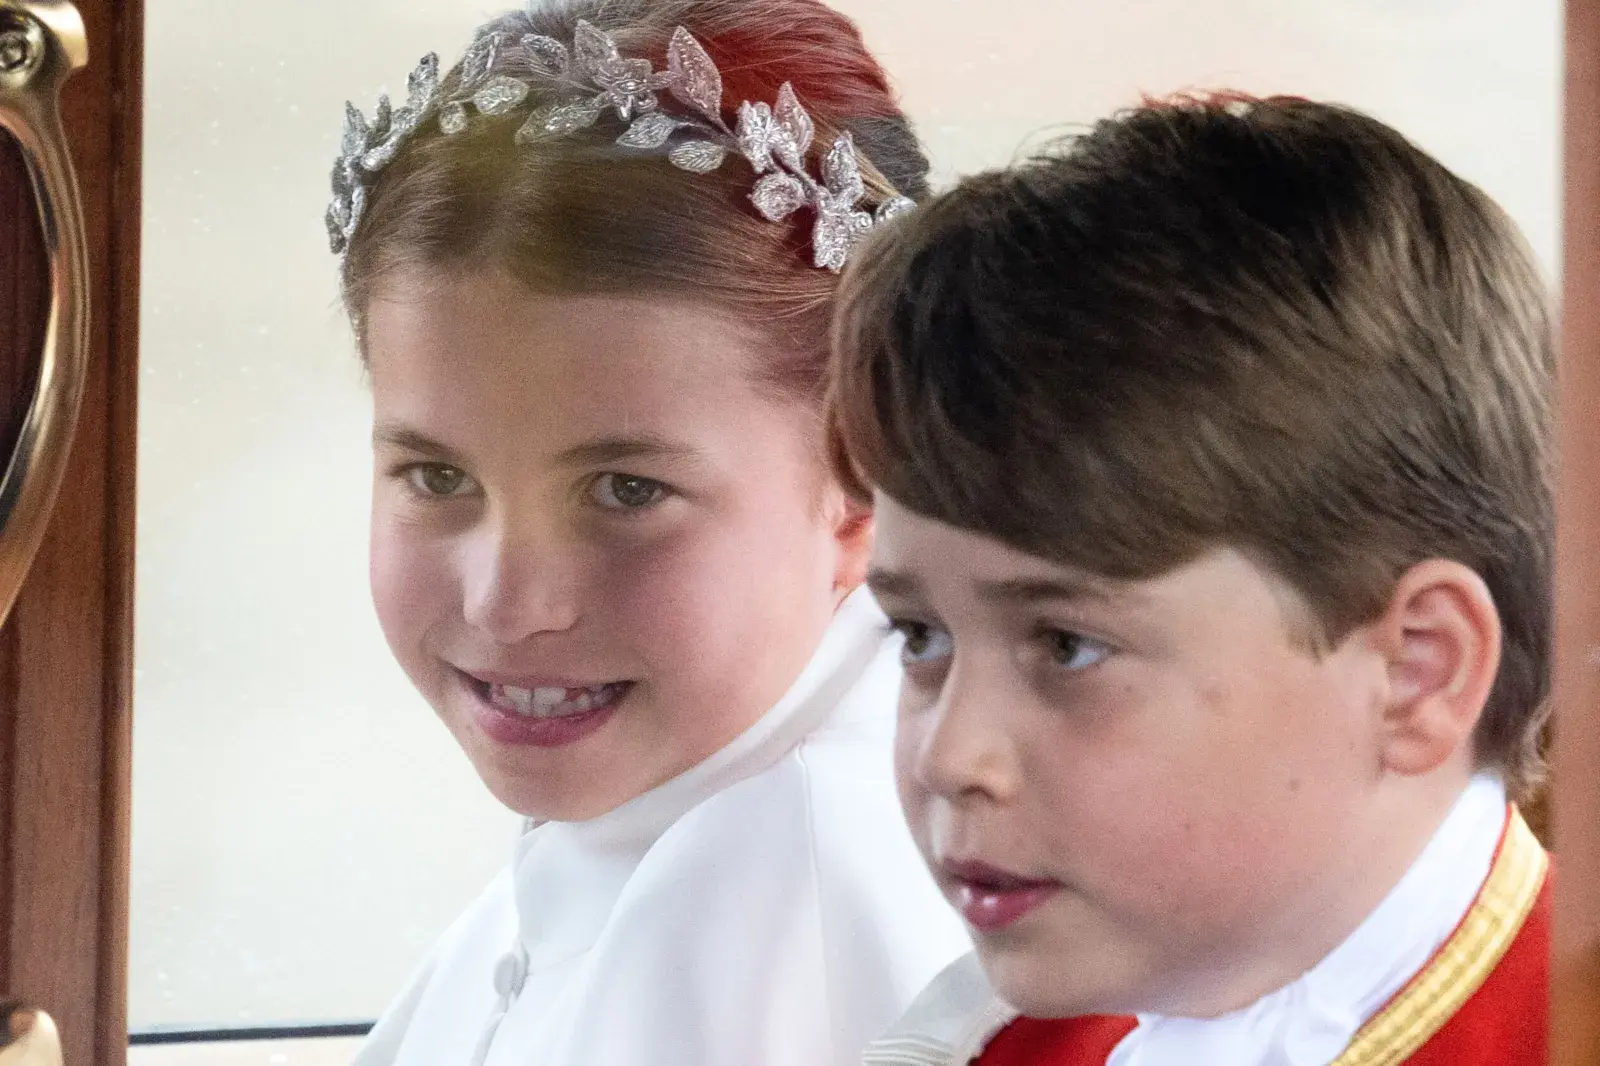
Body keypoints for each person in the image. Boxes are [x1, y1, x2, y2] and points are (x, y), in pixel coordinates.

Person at [830, 94, 1554, 1066]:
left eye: (1065, 645)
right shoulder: (983, 1037)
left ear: (1414, 668)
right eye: (920, 636)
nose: (949, 756)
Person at [324, 3, 970, 1064]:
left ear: (863, 476)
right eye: (436, 475)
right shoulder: (666, 817)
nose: (506, 603)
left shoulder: (766, 895)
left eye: (625, 490)